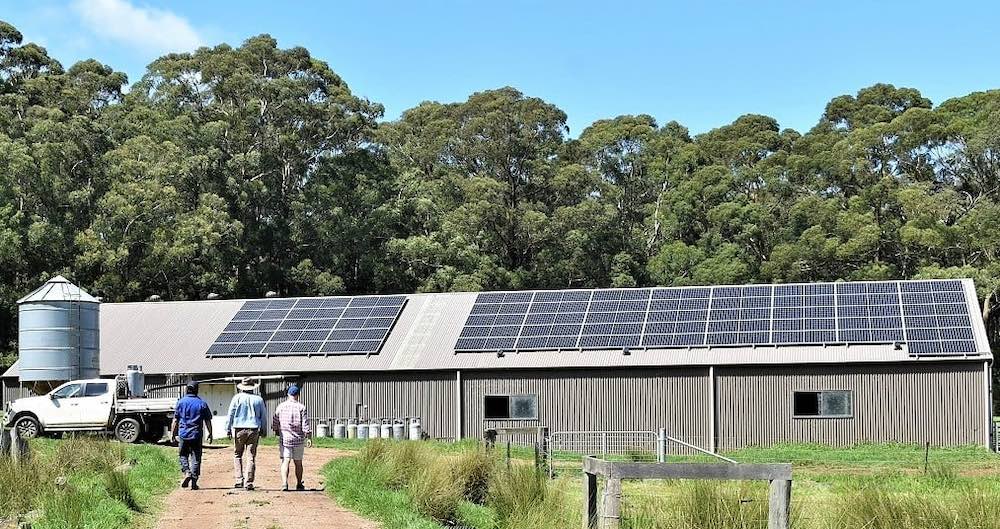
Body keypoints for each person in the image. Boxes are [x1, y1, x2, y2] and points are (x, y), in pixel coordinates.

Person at [225, 377, 266, 491]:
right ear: (253, 387)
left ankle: (239, 480)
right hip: (253, 429)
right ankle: (249, 481)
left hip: (239, 429)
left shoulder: (237, 398)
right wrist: (264, 429)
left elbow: (230, 414)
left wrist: (228, 428)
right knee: (251, 456)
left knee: (238, 454)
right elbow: (263, 416)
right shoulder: (258, 399)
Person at [170, 382, 213, 491]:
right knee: (196, 457)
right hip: (196, 434)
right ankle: (194, 481)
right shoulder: (202, 403)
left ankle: (187, 472)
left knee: (183, 455)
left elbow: (175, 420)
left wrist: (172, 434)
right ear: (196, 390)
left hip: (183, 434)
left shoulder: (181, 402)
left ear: (186, 390)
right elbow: (207, 420)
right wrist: (210, 433)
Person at [271, 384, 312, 491]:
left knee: (285, 461)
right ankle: (299, 483)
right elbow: (305, 424)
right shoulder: (301, 407)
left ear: (288, 394)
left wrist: (276, 430)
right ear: (298, 395)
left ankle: (284, 483)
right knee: (298, 462)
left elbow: (275, 420)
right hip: (298, 439)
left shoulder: (281, 406)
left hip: (285, 439)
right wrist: (309, 437)